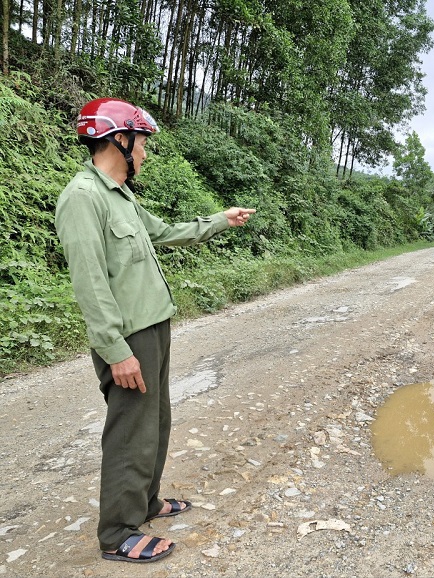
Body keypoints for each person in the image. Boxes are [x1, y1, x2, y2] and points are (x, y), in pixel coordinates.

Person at [55, 98, 256, 563]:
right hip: (126, 338)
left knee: (155, 423)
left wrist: (220, 220)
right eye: (141, 143)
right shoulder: (82, 198)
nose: (144, 153)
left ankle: (144, 502)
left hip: (153, 327)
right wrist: (115, 350)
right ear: (117, 140)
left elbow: (165, 232)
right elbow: (90, 283)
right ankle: (118, 533)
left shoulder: (120, 195)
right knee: (130, 431)